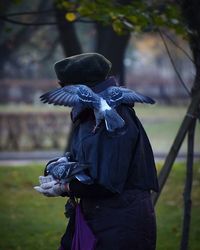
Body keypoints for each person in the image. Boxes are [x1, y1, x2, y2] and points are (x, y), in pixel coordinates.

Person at [35, 53, 159, 250]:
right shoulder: (88, 116)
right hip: (99, 217)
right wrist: (59, 167)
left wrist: (65, 188)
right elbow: (88, 160)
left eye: (62, 87)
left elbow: (107, 182)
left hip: (119, 224)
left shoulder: (114, 118)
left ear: (70, 87)